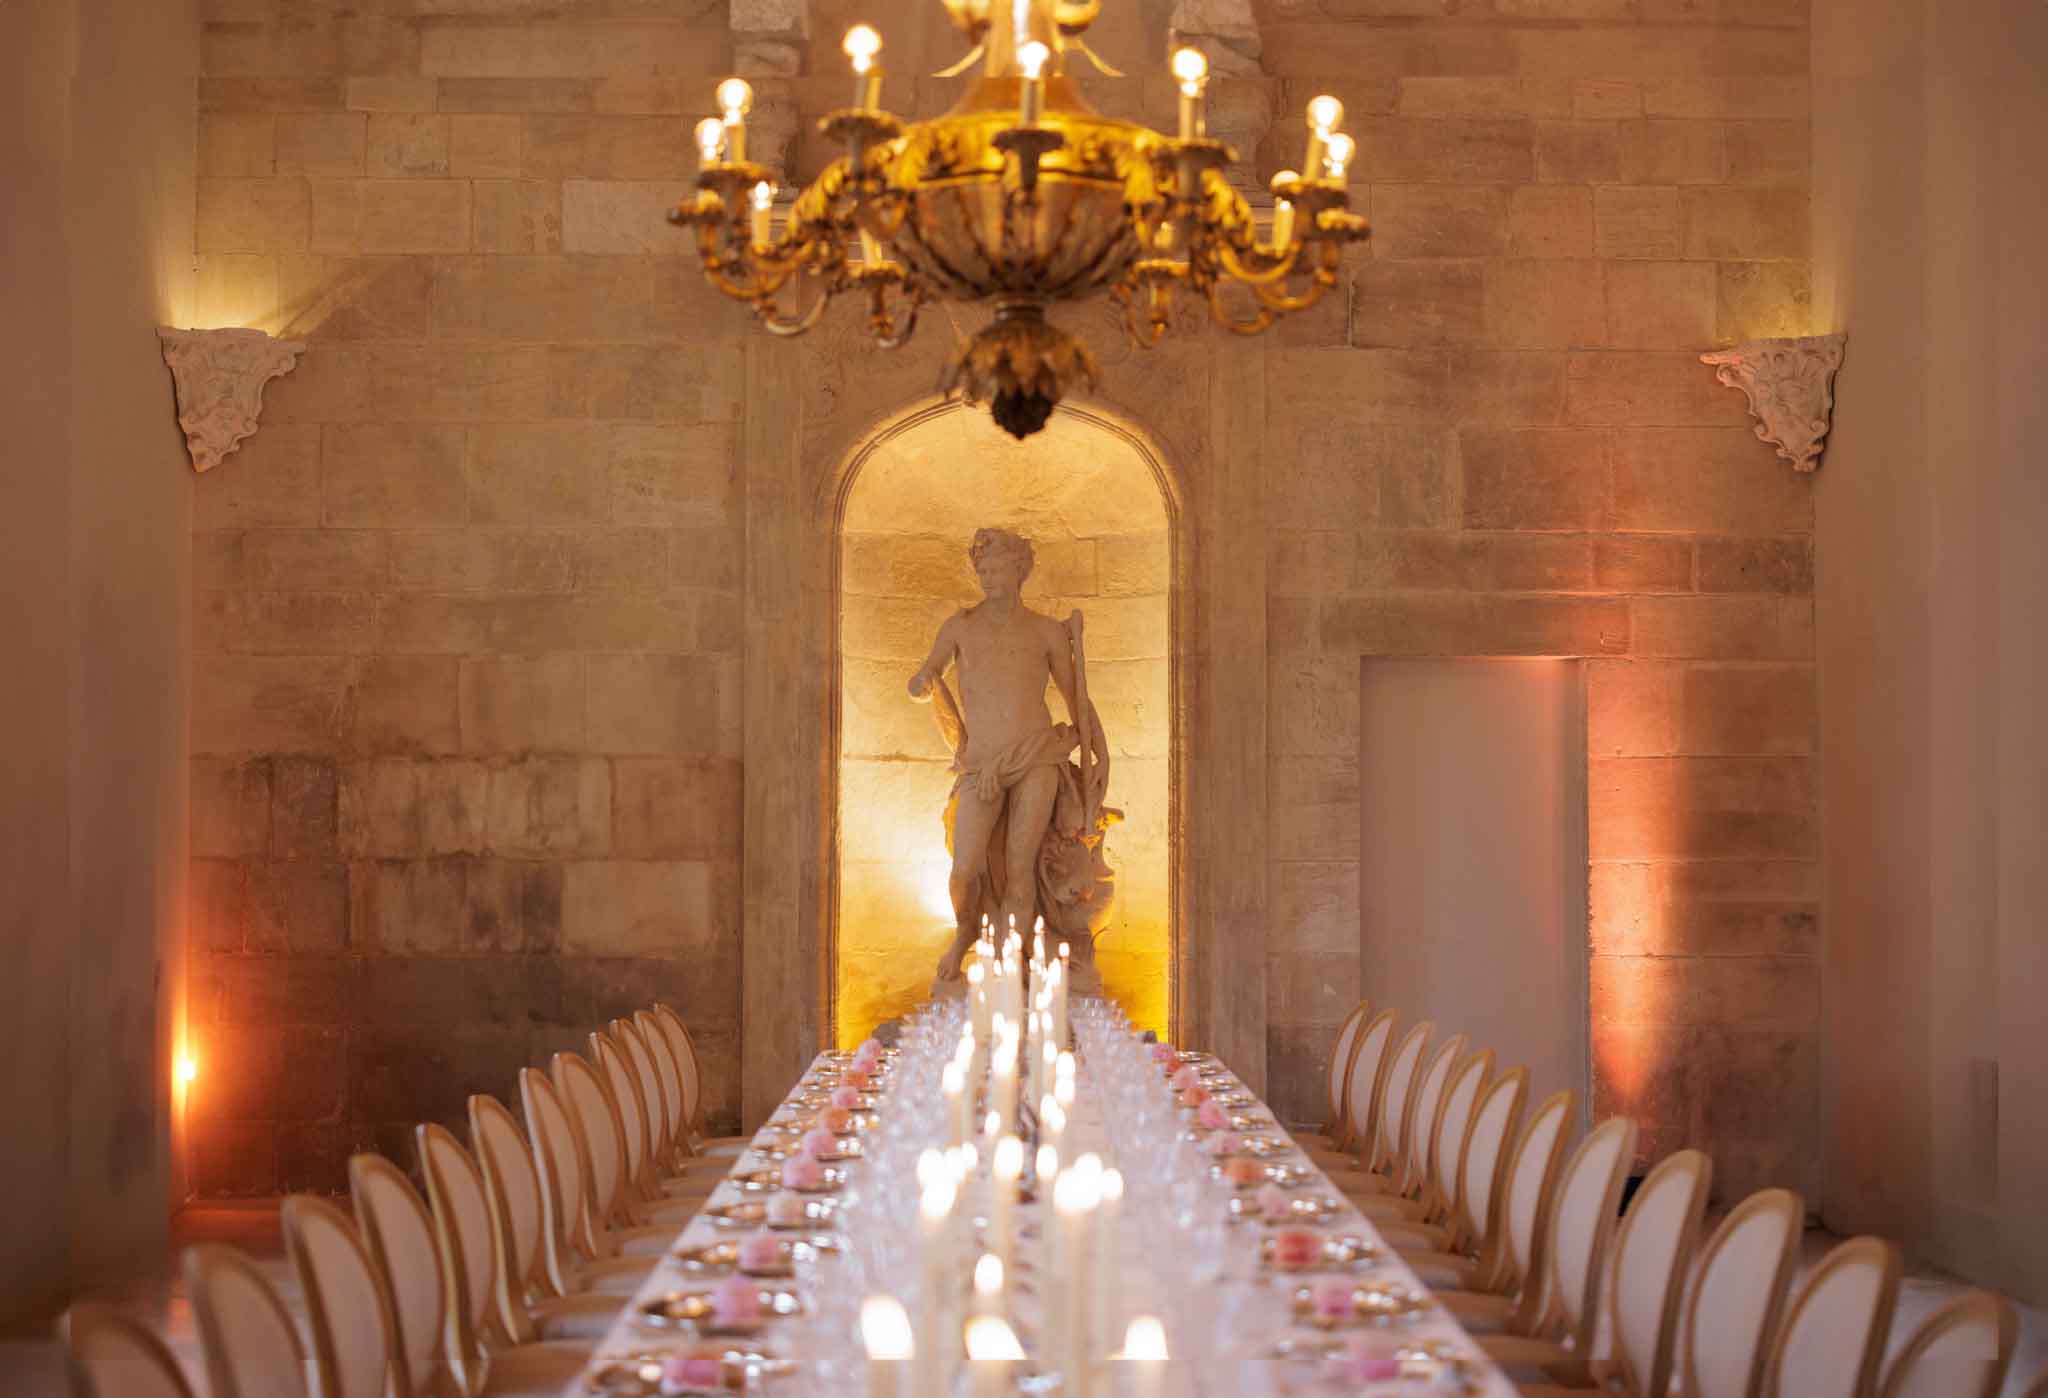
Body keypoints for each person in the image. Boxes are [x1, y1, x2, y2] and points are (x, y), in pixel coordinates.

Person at [908, 527, 1109, 981]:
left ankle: (1012, 966)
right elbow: (930, 671)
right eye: (982, 569)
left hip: (1036, 755)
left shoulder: (1045, 632)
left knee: (1020, 863)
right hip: (981, 762)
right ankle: (964, 934)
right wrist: (921, 684)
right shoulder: (961, 625)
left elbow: (1076, 697)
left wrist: (1102, 753)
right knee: (965, 866)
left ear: (1020, 571)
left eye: (997, 568)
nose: (988, 577)